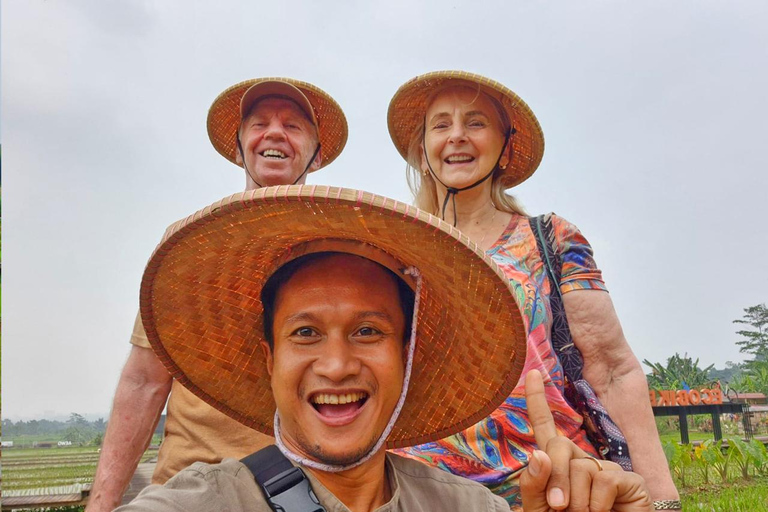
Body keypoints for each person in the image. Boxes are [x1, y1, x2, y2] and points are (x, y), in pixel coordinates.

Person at [116, 186, 653, 512]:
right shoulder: (202, 502)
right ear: (268, 359)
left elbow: (616, 368)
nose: (336, 365)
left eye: (369, 331)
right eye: (304, 333)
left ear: (408, 354)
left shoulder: (463, 504)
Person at [386, 70, 680, 510]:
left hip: (552, 484)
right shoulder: (393, 250)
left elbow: (613, 369)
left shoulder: (553, 240)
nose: (458, 136)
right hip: (420, 491)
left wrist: (662, 500)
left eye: (476, 122)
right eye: (441, 124)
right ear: (424, 150)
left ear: (505, 146)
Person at [86, 78, 348, 512]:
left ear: (317, 156)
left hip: (310, 491)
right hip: (191, 484)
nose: (275, 133)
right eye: (259, 123)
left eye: (294, 126)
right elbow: (144, 380)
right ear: (239, 146)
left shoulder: (341, 252)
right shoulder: (189, 246)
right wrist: (101, 504)